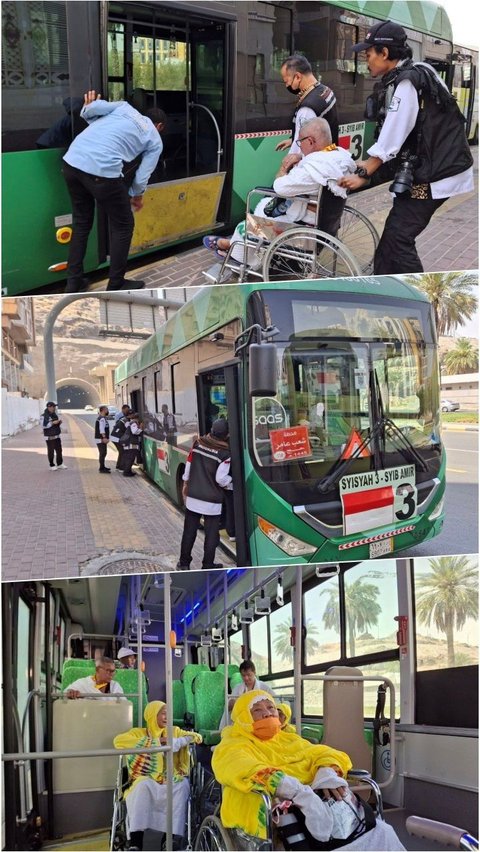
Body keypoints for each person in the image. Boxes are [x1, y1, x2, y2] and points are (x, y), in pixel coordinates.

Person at [338, 21, 474, 274]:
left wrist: (367, 170)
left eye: (369, 55)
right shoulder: (421, 70)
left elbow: (394, 135)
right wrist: (369, 171)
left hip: (436, 175)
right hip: (441, 168)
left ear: (385, 53)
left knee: (398, 239)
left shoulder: (408, 82)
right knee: (391, 240)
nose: (366, 62)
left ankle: (423, 296)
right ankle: (383, 285)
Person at [212, 691, 405, 850]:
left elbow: (323, 753)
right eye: (257, 710)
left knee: (382, 832)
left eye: (271, 708)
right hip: (277, 809)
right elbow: (236, 764)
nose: (267, 713)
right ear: (244, 717)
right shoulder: (234, 743)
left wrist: (327, 774)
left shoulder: (290, 738)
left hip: (322, 808)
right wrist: (292, 789)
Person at [203, 118, 355, 263]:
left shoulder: (312, 168)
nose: (299, 147)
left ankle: (241, 257)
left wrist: (284, 166)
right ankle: (235, 245)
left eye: (300, 142)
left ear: (310, 141)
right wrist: (301, 157)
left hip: (305, 229)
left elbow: (279, 187)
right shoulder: (339, 157)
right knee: (267, 207)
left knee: (248, 222)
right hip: (327, 225)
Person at [62, 90, 166, 293]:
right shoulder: (155, 139)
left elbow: (90, 110)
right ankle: (116, 283)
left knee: (82, 222)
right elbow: (143, 175)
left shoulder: (124, 107)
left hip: (71, 161)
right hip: (101, 171)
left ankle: (73, 283)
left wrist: (89, 111)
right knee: (123, 225)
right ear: (159, 126)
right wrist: (136, 195)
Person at [113, 700, 202, 850]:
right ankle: (136, 841)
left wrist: (178, 741)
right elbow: (118, 741)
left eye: (168, 713)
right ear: (152, 715)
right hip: (146, 777)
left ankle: (170, 840)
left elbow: (196, 736)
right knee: (142, 786)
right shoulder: (138, 733)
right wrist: (156, 742)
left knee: (182, 786)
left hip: (171, 777)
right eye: (162, 713)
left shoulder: (174, 731)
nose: (167, 716)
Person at [177, 419, 232, 570]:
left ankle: (184, 564)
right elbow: (221, 480)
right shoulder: (225, 454)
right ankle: (207, 564)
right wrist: (232, 483)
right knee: (211, 535)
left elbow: (188, 466)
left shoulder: (197, 444)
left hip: (193, 497)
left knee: (189, 532)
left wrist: (185, 484)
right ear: (226, 435)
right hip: (212, 502)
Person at [276, 55, 339, 154]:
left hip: (316, 163)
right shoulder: (325, 91)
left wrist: (285, 167)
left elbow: (299, 150)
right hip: (329, 155)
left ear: (297, 77)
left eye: (286, 81)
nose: (287, 85)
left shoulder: (307, 109)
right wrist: (293, 140)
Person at [219, 660, 276, 730]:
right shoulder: (238, 688)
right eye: (243, 675)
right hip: (242, 718)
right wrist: (232, 703)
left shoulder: (264, 687)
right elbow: (230, 706)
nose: (246, 678)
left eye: (249, 675)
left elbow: (275, 701)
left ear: (254, 673)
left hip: (260, 718)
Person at [41, 401, 67, 471]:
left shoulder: (54, 415)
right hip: (49, 437)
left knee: (59, 450)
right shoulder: (43, 416)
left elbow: (55, 424)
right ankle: (51, 465)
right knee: (51, 451)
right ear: (49, 407)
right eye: (53, 407)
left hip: (57, 436)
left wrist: (59, 423)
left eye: (55, 407)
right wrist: (52, 423)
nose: (54, 408)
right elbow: (43, 426)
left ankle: (60, 464)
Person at [110, 406, 132, 470]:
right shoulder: (126, 421)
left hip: (115, 437)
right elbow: (129, 430)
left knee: (122, 451)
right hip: (116, 438)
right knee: (122, 451)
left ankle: (119, 465)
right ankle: (121, 466)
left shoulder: (124, 418)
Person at [95, 405, 111, 473]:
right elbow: (101, 429)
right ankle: (101, 468)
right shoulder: (101, 419)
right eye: (106, 409)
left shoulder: (103, 418)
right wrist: (104, 437)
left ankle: (103, 466)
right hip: (100, 439)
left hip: (101, 438)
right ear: (103, 410)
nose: (107, 411)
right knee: (102, 453)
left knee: (104, 453)